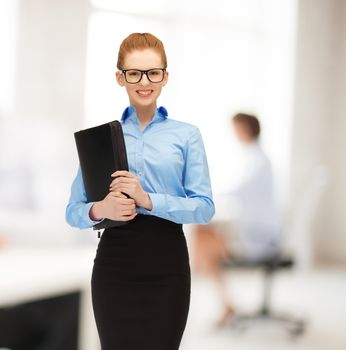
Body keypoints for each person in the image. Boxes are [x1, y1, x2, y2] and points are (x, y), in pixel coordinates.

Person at [65, 33, 215, 350]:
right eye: (134, 73)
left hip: (167, 266)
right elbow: (73, 211)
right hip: (114, 267)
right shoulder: (100, 138)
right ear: (120, 78)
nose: (144, 82)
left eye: (153, 72)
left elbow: (204, 207)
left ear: (165, 76)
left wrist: (148, 200)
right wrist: (100, 209)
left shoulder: (186, 135)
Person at [192, 113, 282, 327]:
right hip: (254, 229)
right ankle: (225, 303)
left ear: (246, 129)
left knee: (202, 237)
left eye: (236, 128)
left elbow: (236, 190)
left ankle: (223, 303)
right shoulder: (253, 156)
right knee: (203, 234)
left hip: (259, 236)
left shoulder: (258, 160)